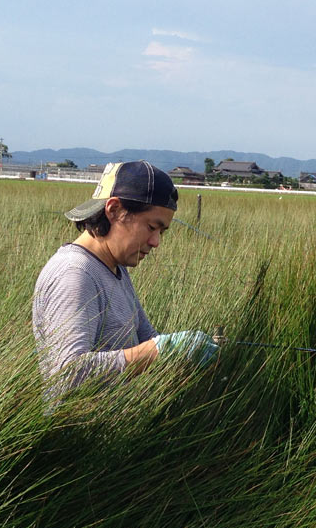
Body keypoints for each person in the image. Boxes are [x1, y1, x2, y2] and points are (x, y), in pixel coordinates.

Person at [32, 160, 220, 405]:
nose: (156, 242)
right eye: (152, 227)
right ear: (114, 210)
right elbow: (67, 375)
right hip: (77, 437)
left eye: (161, 233)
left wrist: (183, 351)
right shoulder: (75, 274)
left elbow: (146, 338)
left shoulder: (114, 267)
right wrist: (158, 351)